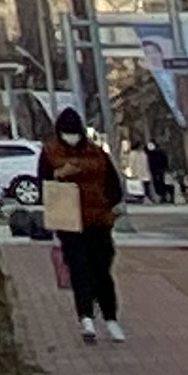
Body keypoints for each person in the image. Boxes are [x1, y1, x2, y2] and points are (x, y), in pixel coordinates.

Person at [44, 108, 125, 343]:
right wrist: (59, 175)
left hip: (98, 221)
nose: (71, 137)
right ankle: (86, 317)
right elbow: (44, 186)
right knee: (79, 269)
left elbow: (113, 186)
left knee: (102, 270)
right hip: (69, 222)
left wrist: (107, 204)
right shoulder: (50, 153)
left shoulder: (97, 153)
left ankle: (110, 317)